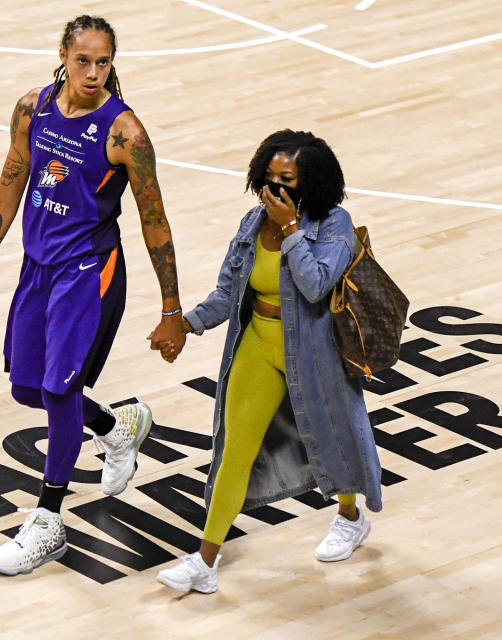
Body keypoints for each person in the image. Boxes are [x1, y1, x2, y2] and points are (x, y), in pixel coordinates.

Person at [0, 15, 186, 576]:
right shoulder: (33, 109)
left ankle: (48, 522)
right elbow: (8, 187)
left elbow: (156, 221)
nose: (93, 72)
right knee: (29, 391)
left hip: (90, 273)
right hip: (39, 268)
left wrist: (171, 308)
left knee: (60, 391)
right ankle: (116, 426)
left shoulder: (124, 133)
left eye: (104, 62)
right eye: (84, 60)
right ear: (62, 54)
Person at [152, 130, 383, 594]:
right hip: (257, 342)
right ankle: (205, 561)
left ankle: (350, 516)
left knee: (332, 439)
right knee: (233, 450)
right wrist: (185, 324)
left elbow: (316, 285)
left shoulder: (334, 225)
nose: (275, 190)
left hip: (317, 355)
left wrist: (293, 231)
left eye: (288, 181)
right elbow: (228, 293)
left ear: (311, 184)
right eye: (270, 178)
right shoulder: (251, 223)